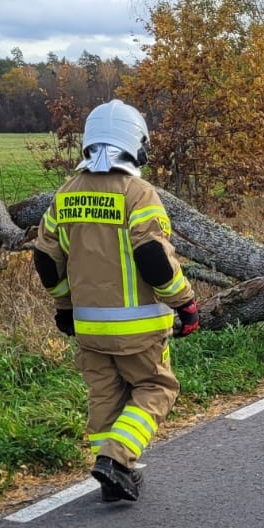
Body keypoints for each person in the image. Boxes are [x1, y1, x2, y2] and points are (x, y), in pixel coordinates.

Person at [32, 99, 200, 503]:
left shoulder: (66, 195)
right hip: (138, 329)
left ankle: (113, 474)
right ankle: (116, 459)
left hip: (89, 327)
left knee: (104, 397)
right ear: (133, 142)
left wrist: (64, 307)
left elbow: (46, 261)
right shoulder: (138, 194)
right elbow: (154, 258)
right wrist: (185, 303)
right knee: (157, 387)